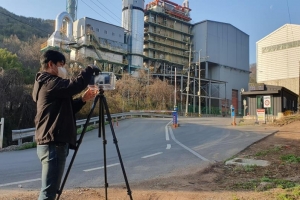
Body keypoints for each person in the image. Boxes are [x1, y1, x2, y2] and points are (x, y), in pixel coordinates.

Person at [32, 49, 100, 200]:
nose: (64, 68)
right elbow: (73, 85)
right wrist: (89, 69)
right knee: (48, 192)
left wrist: (82, 100)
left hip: (51, 142)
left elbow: (65, 110)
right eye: (61, 64)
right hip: (53, 144)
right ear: (50, 64)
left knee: (50, 190)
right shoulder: (49, 81)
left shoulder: (48, 85)